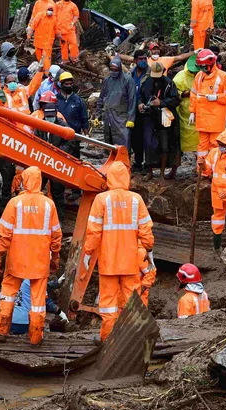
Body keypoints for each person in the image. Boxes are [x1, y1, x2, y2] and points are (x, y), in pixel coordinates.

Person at [83, 161, 154, 341]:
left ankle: (107, 340)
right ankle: (132, 340)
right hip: (130, 261)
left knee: (108, 306)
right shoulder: (136, 199)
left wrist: (88, 253)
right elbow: (145, 229)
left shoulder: (102, 199)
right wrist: (149, 249)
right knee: (132, 303)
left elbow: (93, 231)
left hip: (108, 263)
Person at [0, 167, 62, 345]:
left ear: (24, 180)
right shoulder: (49, 205)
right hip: (39, 261)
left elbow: (4, 234)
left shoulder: (14, 203)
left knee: (8, 294)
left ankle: (1, 331)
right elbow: (56, 236)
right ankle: (36, 337)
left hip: (16, 259)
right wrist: (55, 258)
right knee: (38, 301)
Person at [189, 49, 226, 168]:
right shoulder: (199, 76)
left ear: (212, 63)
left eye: (205, 67)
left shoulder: (223, 77)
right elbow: (193, 94)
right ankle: (201, 169)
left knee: (215, 145)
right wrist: (192, 111)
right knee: (202, 146)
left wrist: (216, 97)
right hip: (202, 118)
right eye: (201, 67)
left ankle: (214, 170)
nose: (203, 70)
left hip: (216, 119)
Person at [139, 62, 180, 180]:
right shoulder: (147, 82)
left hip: (165, 119)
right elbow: (141, 96)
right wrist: (140, 104)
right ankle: (150, 172)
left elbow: (175, 100)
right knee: (148, 144)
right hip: (150, 117)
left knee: (164, 145)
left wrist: (162, 102)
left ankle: (162, 173)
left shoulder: (169, 83)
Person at [32, 90, 67, 220]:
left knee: (57, 192)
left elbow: (70, 142)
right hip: (42, 162)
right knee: (37, 189)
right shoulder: (40, 125)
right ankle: (37, 217)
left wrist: (58, 151)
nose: (50, 118)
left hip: (57, 164)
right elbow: (35, 141)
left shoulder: (62, 124)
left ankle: (59, 219)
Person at [96, 55, 137, 148]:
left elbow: (132, 100)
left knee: (123, 144)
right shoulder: (107, 80)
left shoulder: (128, 80)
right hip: (108, 117)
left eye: (116, 69)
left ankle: (124, 162)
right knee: (109, 144)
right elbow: (101, 98)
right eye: (111, 69)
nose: (113, 72)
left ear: (119, 68)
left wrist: (131, 119)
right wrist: (97, 115)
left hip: (121, 118)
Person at [56, 71, 89, 158]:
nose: (68, 86)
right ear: (61, 84)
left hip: (74, 136)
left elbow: (84, 118)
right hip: (59, 137)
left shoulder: (78, 101)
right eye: (66, 84)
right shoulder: (55, 100)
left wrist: (87, 135)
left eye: (70, 84)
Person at [173, 55, 200, 157]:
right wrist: (183, 94)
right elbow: (174, 93)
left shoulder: (203, 75)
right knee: (184, 136)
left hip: (201, 110)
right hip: (185, 110)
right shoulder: (180, 76)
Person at [130, 49, 150, 172]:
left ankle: (148, 164)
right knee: (135, 138)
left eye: (145, 59)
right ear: (135, 60)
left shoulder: (151, 73)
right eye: (140, 59)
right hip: (133, 111)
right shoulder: (131, 74)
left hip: (147, 111)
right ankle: (138, 162)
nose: (143, 61)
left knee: (148, 138)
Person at [118, 42, 193, 71]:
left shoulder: (165, 59)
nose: (156, 51)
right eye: (154, 50)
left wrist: (194, 52)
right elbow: (129, 58)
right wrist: (116, 55)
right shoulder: (145, 60)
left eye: (157, 49)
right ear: (150, 51)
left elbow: (180, 57)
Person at [27, 5, 58, 71]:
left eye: (52, 10)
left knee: (46, 58)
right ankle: (43, 71)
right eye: (49, 10)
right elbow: (33, 26)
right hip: (38, 42)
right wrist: (28, 37)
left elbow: (56, 29)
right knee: (39, 58)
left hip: (48, 43)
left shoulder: (54, 18)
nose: (50, 12)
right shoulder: (39, 16)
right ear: (46, 10)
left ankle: (47, 74)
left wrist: (60, 36)